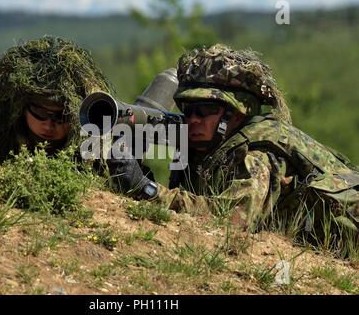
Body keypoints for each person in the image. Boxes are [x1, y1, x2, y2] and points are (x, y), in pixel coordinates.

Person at [108, 44, 358, 256]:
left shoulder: (258, 155)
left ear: (235, 115)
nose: (193, 120)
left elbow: (230, 220)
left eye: (205, 110)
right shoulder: (210, 144)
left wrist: (147, 189)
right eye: (188, 109)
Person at [0, 36, 114, 164]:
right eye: (41, 112)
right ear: (21, 108)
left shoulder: (95, 134)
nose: (49, 124)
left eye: (61, 116)